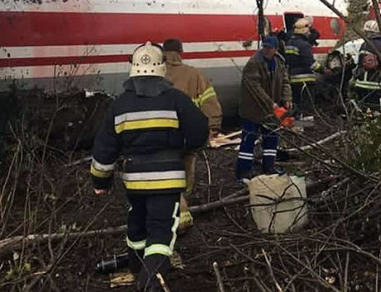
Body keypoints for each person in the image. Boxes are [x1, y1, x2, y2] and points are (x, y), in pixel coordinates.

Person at [91, 42, 208, 292]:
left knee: (137, 222)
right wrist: (185, 147)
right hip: (168, 181)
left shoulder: (120, 104)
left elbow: (104, 147)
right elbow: (200, 132)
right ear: (162, 68)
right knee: (161, 232)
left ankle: (136, 267)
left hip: (135, 181)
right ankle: (151, 283)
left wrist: (100, 181)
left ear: (132, 70)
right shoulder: (176, 99)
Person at [161, 38, 223, 230]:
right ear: (181, 52)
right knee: (186, 173)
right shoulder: (194, 74)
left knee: (164, 173)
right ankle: (182, 208)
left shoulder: (155, 74)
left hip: (160, 136)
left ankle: (169, 208)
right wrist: (213, 126)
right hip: (186, 136)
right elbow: (210, 102)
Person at [235, 36, 293, 181]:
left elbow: (285, 81)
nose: (266, 50)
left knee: (272, 140)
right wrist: (271, 104)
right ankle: (243, 172)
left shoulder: (279, 62)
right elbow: (255, 88)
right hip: (253, 110)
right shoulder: (254, 63)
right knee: (248, 141)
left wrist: (287, 98)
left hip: (270, 110)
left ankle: (269, 167)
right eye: (265, 47)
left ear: (276, 49)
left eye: (269, 48)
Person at [350, 21, 381, 113]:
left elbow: (359, 64)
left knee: (364, 109)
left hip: (361, 83)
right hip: (378, 83)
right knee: (379, 110)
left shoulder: (364, 44)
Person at [284, 18, 319, 120]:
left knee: (297, 106)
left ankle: (298, 127)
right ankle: (307, 128)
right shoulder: (304, 45)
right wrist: (324, 70)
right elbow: (312, 64)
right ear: (304, 31)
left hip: (294, 80)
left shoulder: (289, 43)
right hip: (306, 81)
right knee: (307, 108)